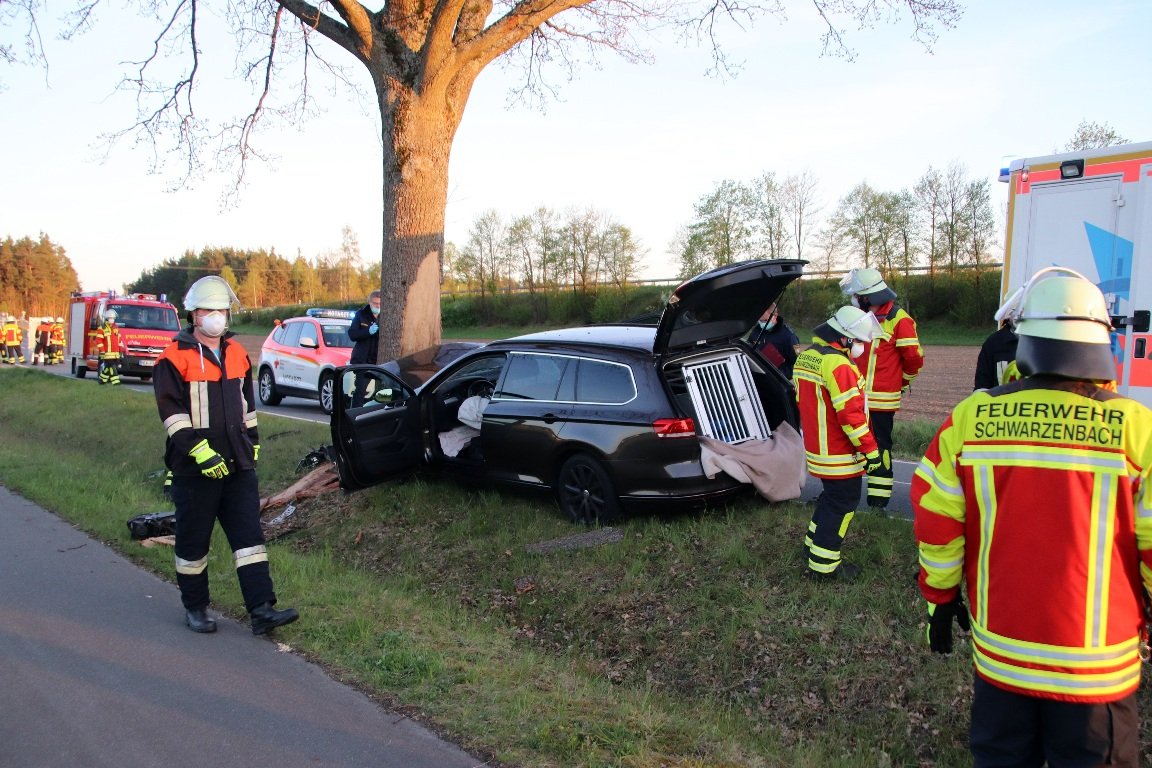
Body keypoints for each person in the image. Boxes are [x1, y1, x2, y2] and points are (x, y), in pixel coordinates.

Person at [913, 267, 1151, 767]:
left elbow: (936, 519)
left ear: (1026, 339)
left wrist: (940, 599)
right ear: (1101, 340)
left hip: (1002, 659)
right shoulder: (1135, 428)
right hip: (1095, 673)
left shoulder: (971, 418)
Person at [153, 275, 299, 636]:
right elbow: (172, 415)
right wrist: (202, 455)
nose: (216, 316)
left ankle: (262, 609)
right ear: (193, 314)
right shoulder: (173, 358)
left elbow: (247, 406)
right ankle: (195, 608)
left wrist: (253, 443)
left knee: (250, 541)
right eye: (208, 310)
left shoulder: (236, 353)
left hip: (238, 466)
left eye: (221, 310)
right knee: (193, 543)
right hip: (194, 471)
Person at [792, 305, 884, 581]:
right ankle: (824, 566)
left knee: (830, 499)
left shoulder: (808, 356)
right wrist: (870, 451)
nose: (861, 347)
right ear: (844, 337)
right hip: (839, 452)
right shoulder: (840, 365)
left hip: (817, 447)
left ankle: (811, 546)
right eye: (859, 341)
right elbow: (851, 416)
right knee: (842, 504)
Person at [839, 267, 924, 509]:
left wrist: (900, 383)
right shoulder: (860, 318)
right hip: (854, 398)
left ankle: (878, 503)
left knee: (879, 450)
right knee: (848, 447)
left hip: (880, 403)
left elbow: (914, 360)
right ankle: (841, 497)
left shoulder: (899, 320)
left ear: (868, 297)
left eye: (857, 296)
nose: (854, 299)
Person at [749, 303, 800, 379]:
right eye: (760, 320)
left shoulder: (789, 336)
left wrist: (779, 374)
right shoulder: (756, 331)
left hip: (775, 381)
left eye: (765, 320)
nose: (761, 323)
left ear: (775, 316)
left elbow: (797, 364)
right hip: (756, 377)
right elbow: (748, 350)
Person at [89, 309, 124, 385]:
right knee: (112, 367)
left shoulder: (116, 328)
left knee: (108, 367)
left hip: (115, 353)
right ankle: (116, 382)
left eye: (113, 318)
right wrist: (102, 351)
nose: (112, 320)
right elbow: (99, 341)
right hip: (106, 353)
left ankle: (102, 380)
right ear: (107, 319)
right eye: (110, 318)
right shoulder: (102, 328)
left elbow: (119, 341)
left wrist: (121, 351)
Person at [348, 289, 382, 364]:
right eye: (375, 303)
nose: (378, 306)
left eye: (380, 303)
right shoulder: (361, 315)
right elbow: (352, 334)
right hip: (361, 360)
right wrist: (368, 331)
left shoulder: (385, 316)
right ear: (370, 302)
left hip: (377, 361)